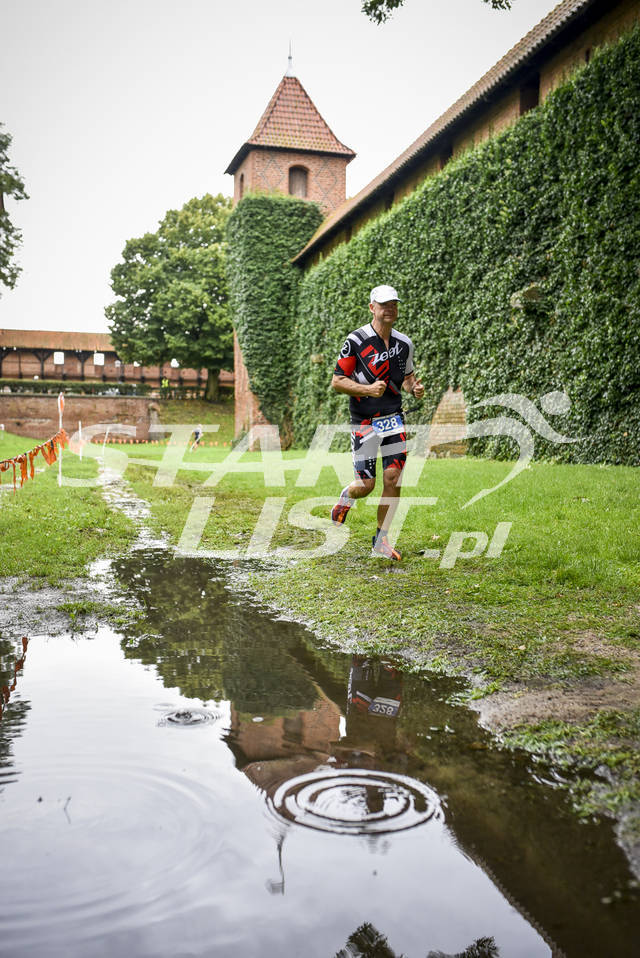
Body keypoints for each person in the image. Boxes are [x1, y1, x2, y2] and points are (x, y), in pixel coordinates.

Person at [330, 284, 424, 560]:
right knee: (366, 486)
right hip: (364, 421)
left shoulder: (404, 344)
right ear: (372, 308)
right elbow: (337, 381)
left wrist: (414, 389)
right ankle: (347, 495)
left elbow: (406, 379)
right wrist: (368, 390)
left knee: (393, 478)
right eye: (384, 305)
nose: (390, 309)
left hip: (394, 419)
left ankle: (381, 540)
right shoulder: (356, 341)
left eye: (393, 304)